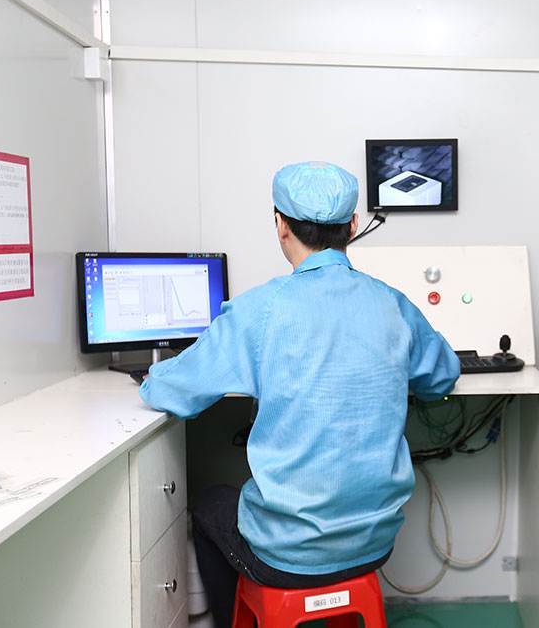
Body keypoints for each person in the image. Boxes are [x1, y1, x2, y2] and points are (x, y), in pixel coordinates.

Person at [139, 161, 460, 627]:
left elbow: (173, 390)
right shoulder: (391, 303)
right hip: (373, 544)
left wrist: (146, 378)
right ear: (351, 226)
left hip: (286, 554)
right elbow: (443, 375)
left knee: (210, 503)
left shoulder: (259, 310)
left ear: (280, 225)